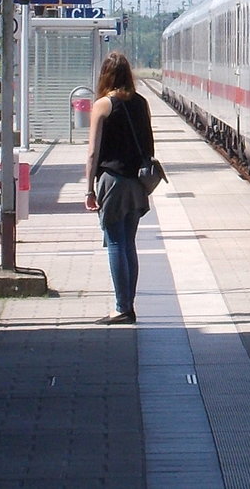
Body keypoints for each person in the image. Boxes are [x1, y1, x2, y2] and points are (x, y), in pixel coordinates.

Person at [85, 51, 154, 325]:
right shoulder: (142, 103)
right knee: (129, 243)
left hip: (112, 181)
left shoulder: (103, 105)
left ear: (105, 75)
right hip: (138, 182)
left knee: (115, 243)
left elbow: (93, 151)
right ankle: (129, 304)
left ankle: (121, 307)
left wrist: (89, 189)